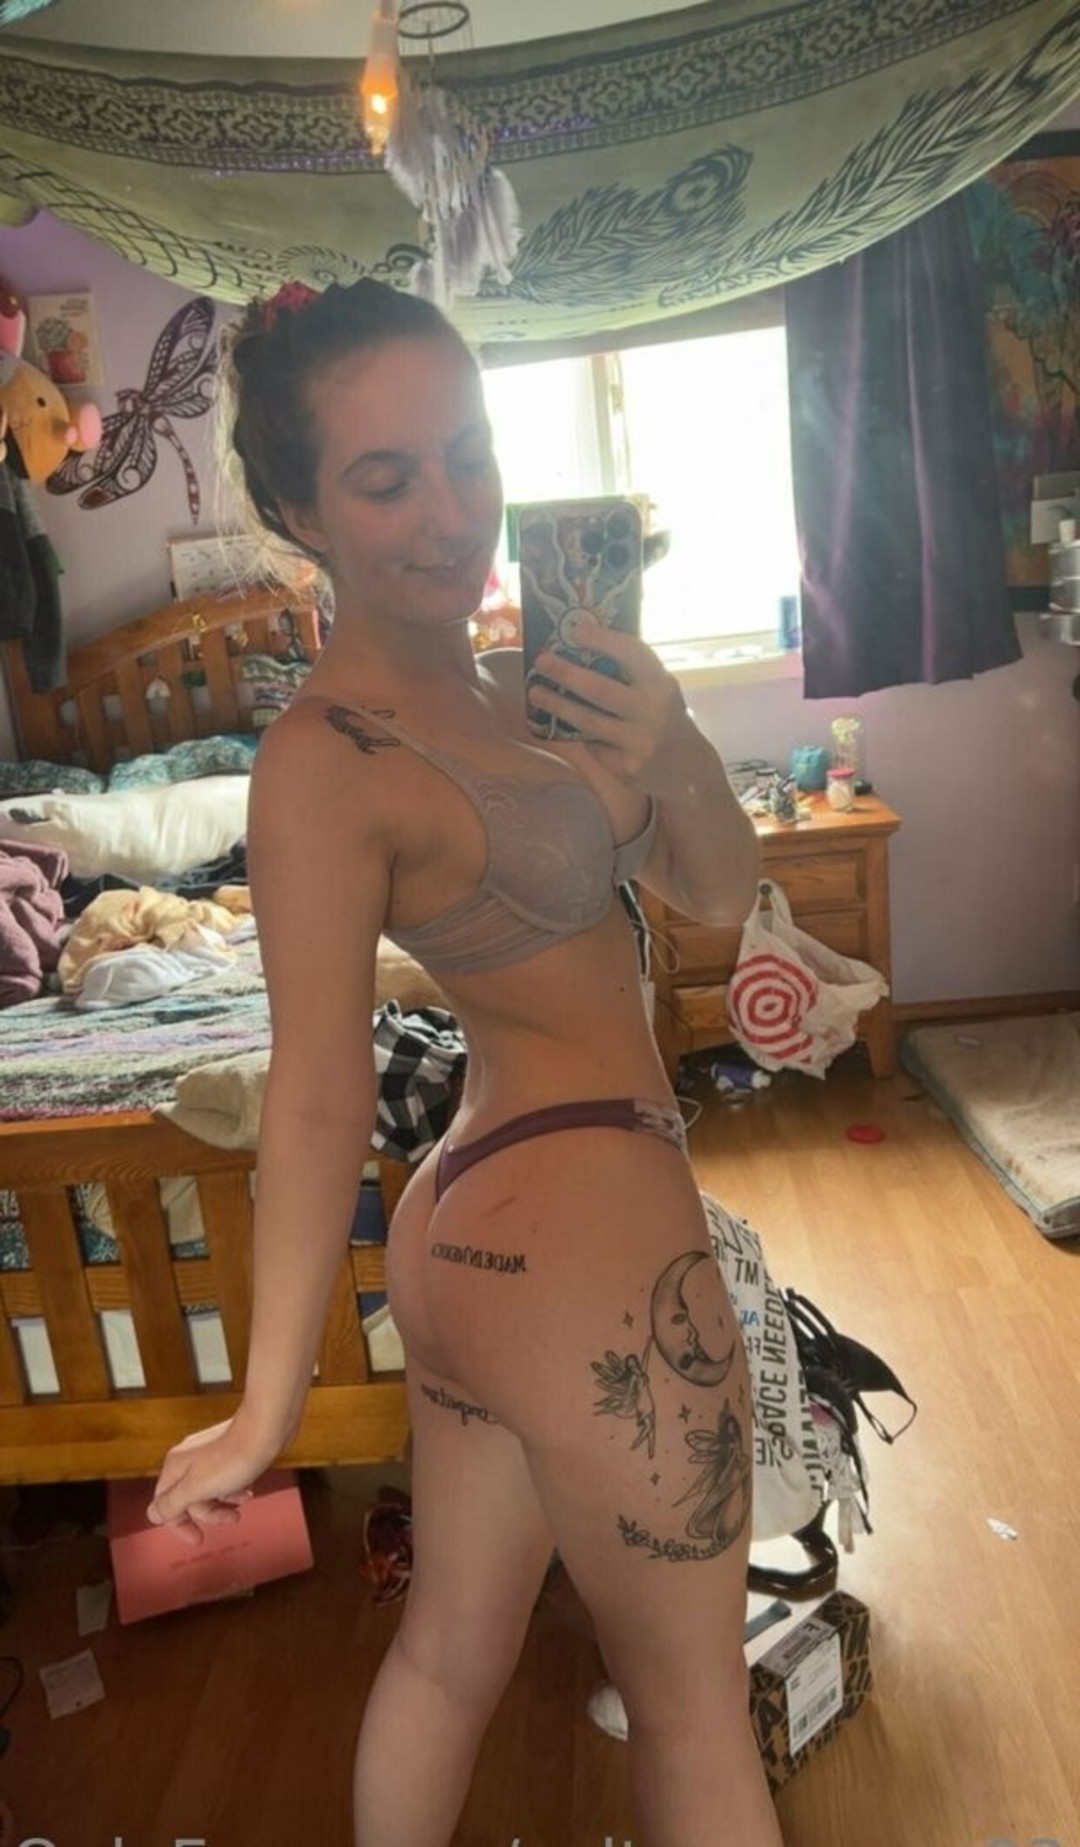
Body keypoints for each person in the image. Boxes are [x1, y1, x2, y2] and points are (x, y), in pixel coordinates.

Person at [147, 277, 781, 1847]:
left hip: (487, 1234)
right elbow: (314, 1092)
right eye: (385, 480)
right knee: (694, 1710)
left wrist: (673, 744)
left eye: (469, 455)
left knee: (450, 1657)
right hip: (580, 1250)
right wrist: (265, 1409)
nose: (450, 515)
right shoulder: (324, 757)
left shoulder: (525, 678)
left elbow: (718, 893)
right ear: (301, 511)